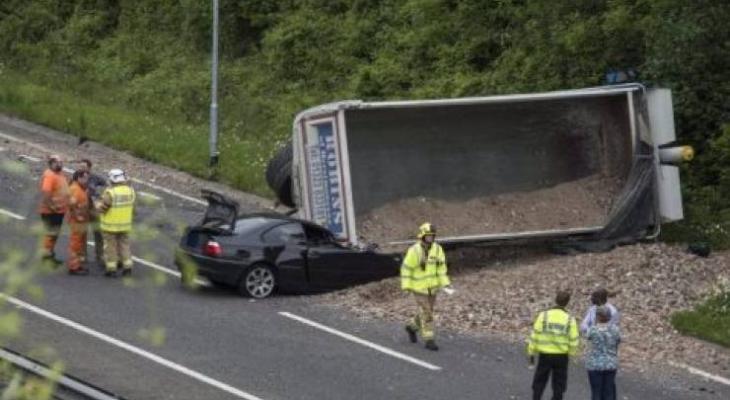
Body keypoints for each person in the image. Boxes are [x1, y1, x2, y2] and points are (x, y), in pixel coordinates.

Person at [401, 222, 450, 351]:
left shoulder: (438, 249)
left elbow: (441, 268)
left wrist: (445, 283)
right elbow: (406, 269)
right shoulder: (414, 250)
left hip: (432, 288)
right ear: (422, 236)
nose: (430, 238)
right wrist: (406, 286)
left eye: (432, 236)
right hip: (418, 288)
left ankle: (411, 327)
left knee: (426, 312)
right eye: (428, 236)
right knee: (427, 313)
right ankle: (429, 339)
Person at [527, 290, 580, 400]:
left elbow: (534, 334)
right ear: (567, 302)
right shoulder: (570, 320)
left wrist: (531, 352)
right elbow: (574, 340)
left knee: (539, 381)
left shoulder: (543, 316)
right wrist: (572, 353)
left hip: (545, 355)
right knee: (559, 384)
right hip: (561, 356)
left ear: (555, 300)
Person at [97, 168, 135, 277]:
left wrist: (97, 205)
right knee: (125, 246)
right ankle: (127, 267)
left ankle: (111, 269)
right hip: (125, 225)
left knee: (110, 247)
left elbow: (104, 208)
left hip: (110, 226)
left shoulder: (111, 192)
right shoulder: (130, 190)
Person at [38, 154, 69, 266]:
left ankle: (49, 254)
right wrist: (52, 207)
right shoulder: (50, 176)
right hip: (51, 211)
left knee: (54, 234)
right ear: (51, 163)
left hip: (59, 210)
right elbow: (46, 194)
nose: (60, 164)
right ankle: (46, 257)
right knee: (50, 234)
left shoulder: (59, 174)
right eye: (57, 162)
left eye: (61, 162)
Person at [585, 306, 621, 400]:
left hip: (595, 364)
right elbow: (618, 341)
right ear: (609, 317)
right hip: (610, 363)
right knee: (609, 392)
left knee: (596, 392)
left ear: (598, 317)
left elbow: (587, 337)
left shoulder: (593, 330)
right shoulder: (615, 330)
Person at [77, 159, 106, 268]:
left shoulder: (95, 177)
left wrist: (100, 197)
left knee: (98, 232)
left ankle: (100, 256)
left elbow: (106, 184)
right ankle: (82, 255)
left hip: (93, 208)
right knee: (82, 233)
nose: (81, 168)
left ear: (89, 168)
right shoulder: (76, 177)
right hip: (82, 209)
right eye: (80, 166)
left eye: (83, 166)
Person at [66, 170, 91, 275]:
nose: (87, 180)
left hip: (81, 220)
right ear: (78, 178)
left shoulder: (80, 188)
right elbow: (71, 205)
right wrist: (78, 216)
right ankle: (73, 267)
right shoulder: (75, 189)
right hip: (77, 221)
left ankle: (78, 264)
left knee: (79, 243)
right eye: (85, 178)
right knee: (75, 244)